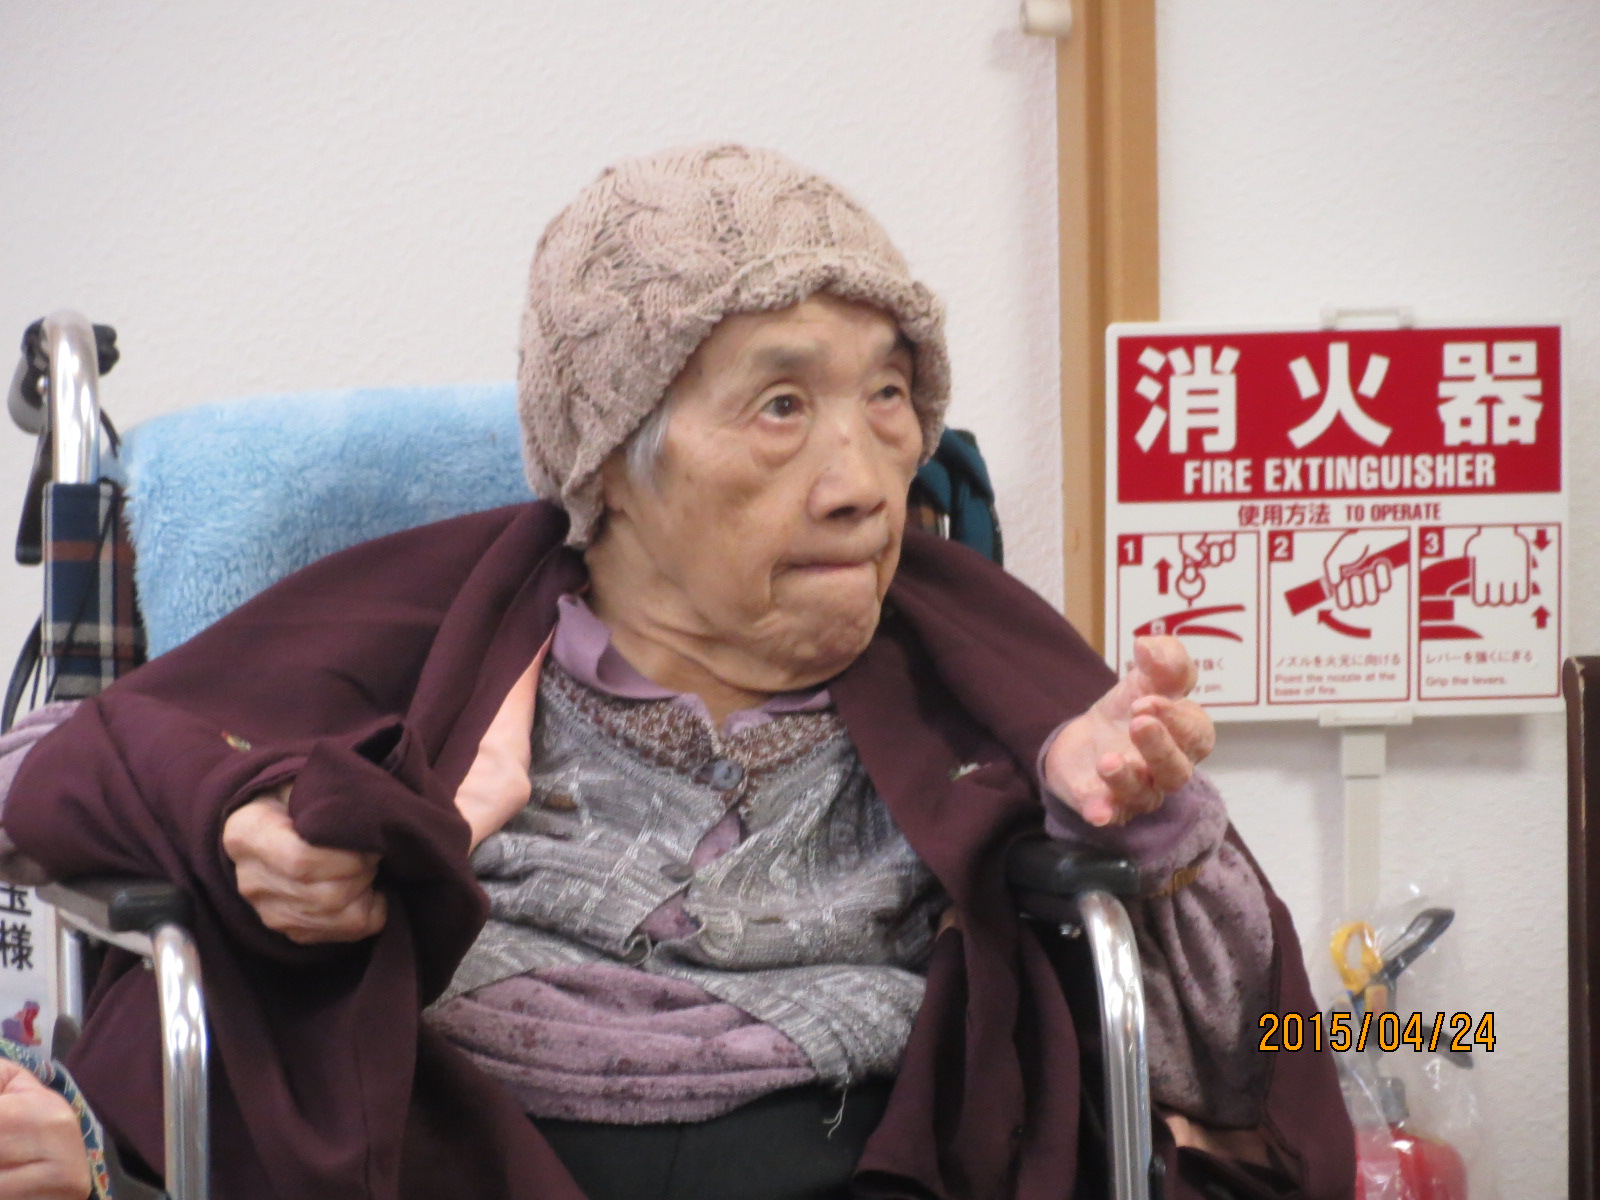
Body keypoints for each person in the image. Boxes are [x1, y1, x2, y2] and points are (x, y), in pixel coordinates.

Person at [1, 144, 1352, 1200]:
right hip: (460, 1148)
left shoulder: (984, 665)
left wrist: (1145, 829)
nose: (864, 482)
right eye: (781, 406)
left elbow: (1254, 1070)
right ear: (613, 463)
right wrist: (242, 818)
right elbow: (50, 767)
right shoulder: (437, 621)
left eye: (888, 396)